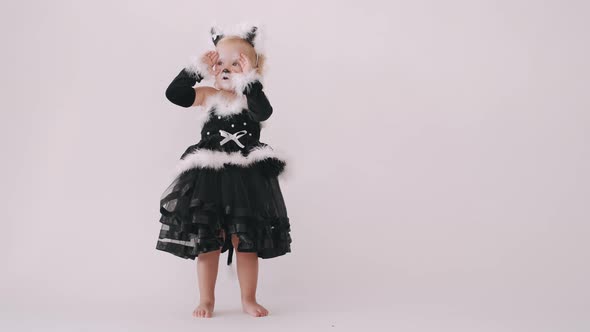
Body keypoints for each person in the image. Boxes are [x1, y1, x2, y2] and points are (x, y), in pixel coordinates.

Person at [155, 23, 292, 318]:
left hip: (246, 178)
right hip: (210, 177)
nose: (227, 69)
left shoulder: (251, 100)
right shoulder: (207, 95)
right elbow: (174, 94)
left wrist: (250, 82)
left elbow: (264, 113)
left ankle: (248, 298)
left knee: (245, 242)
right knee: (209, 240)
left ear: (252, 70)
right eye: (220, 63)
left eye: (236, 64)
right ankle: (206, 299)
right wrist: (195, 70)